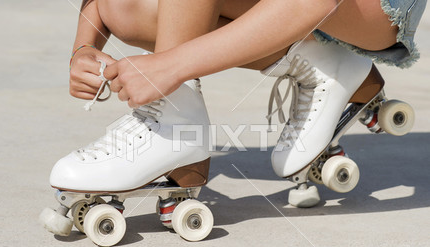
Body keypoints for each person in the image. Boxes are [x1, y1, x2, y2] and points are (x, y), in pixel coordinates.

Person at [52, 0, 426, 194]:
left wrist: (171, 67)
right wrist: (83, 46)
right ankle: (320, 60)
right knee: (125, 8)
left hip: (373, 9)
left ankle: (173, 123)